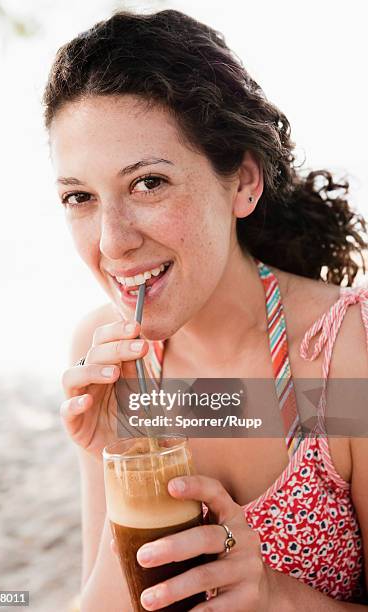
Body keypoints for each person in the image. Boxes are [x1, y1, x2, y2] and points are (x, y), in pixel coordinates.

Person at [42, 9, 368, 611]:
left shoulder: (346, 355)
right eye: (80, 197)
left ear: (243, 181)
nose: (112, 241)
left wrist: (275, 596)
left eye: (147, 183)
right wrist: (122, 460)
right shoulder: (108, 354)